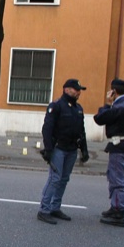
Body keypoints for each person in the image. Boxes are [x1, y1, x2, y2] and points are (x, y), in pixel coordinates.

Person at [37, 78, 89, 224]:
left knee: (64, 179)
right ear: (67, 89)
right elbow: (47, 129)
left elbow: (81, 131)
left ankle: (55, 207)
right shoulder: (56, 106)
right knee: (55, 179)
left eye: (80, 90)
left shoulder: (78, 109)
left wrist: (84, 150)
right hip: (58, 148)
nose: (79, 92)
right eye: (76, 89)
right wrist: (48, 149)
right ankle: (44, 209)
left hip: (72, 149)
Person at [93, 78, 124, 227]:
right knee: (114, 174)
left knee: (116, 178)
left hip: (119, 145)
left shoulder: (117, 108)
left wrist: (107, 104)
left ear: (113, 92)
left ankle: (118, 211)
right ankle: (114, 206)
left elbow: (99, 119)